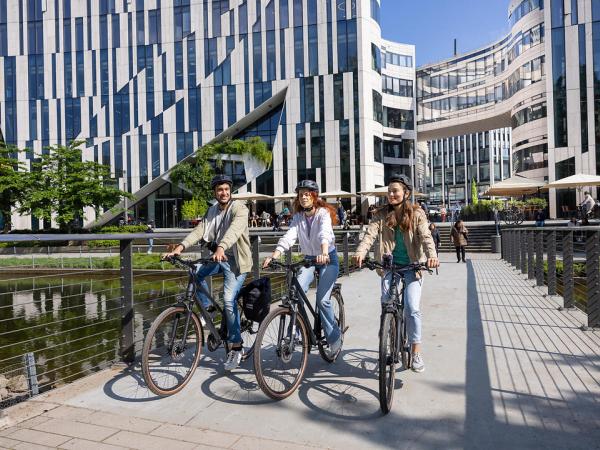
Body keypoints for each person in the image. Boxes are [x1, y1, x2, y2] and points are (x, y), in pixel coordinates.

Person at [164, 174, 252, 371]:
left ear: (231, 191)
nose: (224, 192)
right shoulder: (212, 210)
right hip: (218, 258)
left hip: (236, 262)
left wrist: (221, 247)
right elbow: (199, 231)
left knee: (229, 300)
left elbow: (235, 231)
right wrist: (180, 248)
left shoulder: (240, 209)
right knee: (195, 272)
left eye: (227, 189)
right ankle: (209, 310)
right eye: (220, 189)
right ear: (215, 192)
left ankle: (236, 347)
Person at [352, 174, 439, 373]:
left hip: (412, 266)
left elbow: (426, 237)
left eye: (395, 191)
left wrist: (432, 256)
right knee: (386, 301)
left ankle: (416, 351)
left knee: (412, 307)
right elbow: (370, 235)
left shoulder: (417, 213)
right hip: (389, 266)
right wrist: (360, 252)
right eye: (389, 191)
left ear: (406, 193)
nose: (391, 194)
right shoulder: (381, 214)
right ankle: (389, 340)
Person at [263, 180, 343, 357]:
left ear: (314, 196)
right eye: (301, 194)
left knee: (323, 300)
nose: (304, 197)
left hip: (328, 259)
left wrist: (323, 252)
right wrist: (274, 256)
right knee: (295, 293)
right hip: (308, 259)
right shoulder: (298, 217)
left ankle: (334, 336)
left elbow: (325, 233)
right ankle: (295, 332)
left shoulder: (323, 213)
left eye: (307, 194)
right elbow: (289, 237)